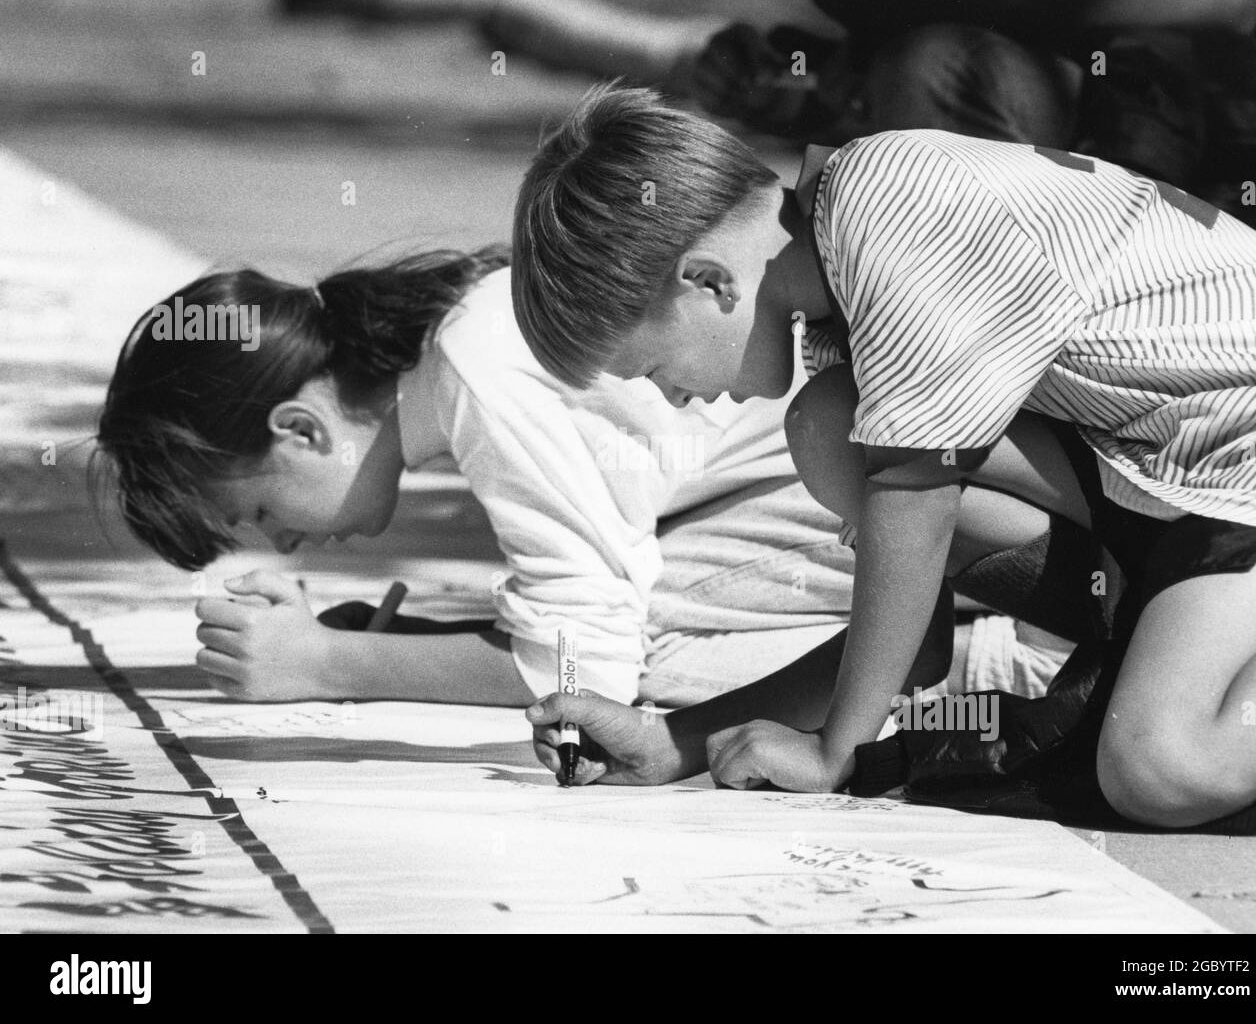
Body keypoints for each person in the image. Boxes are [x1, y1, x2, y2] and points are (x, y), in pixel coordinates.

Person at [511, 86, 1256, 830]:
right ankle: (1170, 638)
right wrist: (672, 740)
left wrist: (832, 755)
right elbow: (908, 643)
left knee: (1157, 765)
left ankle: (1200, 657)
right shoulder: (838, 277)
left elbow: (916, 506)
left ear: (710, 282)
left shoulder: (886, 208)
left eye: (652, 372)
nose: (677, 400)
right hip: (1170, 474)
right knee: (829, 426)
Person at [93, 247, 1076, 709]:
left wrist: (323, 663)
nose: (283, 538)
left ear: (301, 427)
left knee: (644, 671)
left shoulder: (482, 375)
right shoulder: (462, 346)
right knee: (594, 606)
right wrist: (376, 632)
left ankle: (1001, 665)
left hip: (971, 481)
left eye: (260, 511)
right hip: (930, 453)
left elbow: (584, 665)